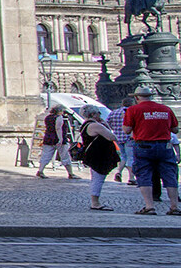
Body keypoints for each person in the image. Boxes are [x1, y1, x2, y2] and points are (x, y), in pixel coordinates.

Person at [124, 84, 181, 215]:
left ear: (137, 97)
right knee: (169, 175)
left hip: (143, 145)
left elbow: (127, 130)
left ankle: (150, 206)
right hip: (164, 146)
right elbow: (175, 129)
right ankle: (174, 206)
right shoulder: (165, 109)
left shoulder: (133, 110)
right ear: (150, 96)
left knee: (144, 174)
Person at [76, 106, 121, 211]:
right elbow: (111, 136)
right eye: (98, 113)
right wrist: (104, 125)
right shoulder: (95, 125)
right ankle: (95, 202)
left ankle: (95, 201)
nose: (100, 115)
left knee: (96, 178)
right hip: (98, 156)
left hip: (93, 155)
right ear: (93, 114)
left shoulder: (85, 124)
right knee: (98, 179)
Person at [35, 105, 77, 179]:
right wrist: (60, 139)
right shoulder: (59, 117)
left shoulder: (47, 117)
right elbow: (58, 128)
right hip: (58, 139)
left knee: (46, 155)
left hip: (48, 138)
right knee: (65, 156)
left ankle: (40, 171)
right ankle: (71, 173)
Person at [107, 103, 132, 184]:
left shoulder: (113, 112)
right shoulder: (130, 112)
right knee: (130, 157)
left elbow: (107, 123)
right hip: (129, 137)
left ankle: (118, 172)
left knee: (123, 156)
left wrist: (114, 129)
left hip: (117, 137)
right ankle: (131, 177)